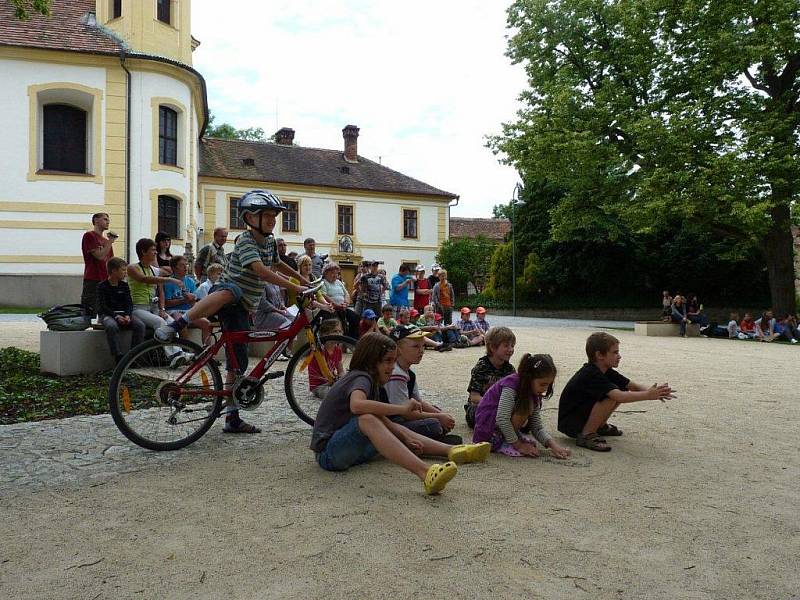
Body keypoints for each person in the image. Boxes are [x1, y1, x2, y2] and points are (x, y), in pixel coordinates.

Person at [155, 190, 311, 434]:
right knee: (232, 291)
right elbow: (261, 271)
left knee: (237, 363)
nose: (272, 220)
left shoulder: (269, 242)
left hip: (244, 307)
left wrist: (305, 280)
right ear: (250, 218)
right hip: (228, 295)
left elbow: (277, 263)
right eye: (267, 215)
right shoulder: (246, 241)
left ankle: (231, 417)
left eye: (274, 216)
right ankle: (176, 324)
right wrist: (295, 287)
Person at [309, 332, 491, 495]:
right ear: (371, 361)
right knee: (368, 419)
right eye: (388, 361)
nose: (392, 366)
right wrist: (402, 410)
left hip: (348, 450)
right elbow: (357, 406)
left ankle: (453, 451)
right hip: (328, 455)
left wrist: (403, 436)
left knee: (394, 427)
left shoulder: (372, 381)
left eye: (394, 360)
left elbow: (380, 418)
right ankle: (425, 472)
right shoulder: (360, 377)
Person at [557, 332, 675, 452]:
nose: (619, 356)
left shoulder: (606, 370)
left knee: (619, 388)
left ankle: (600, 426)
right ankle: (587, 434)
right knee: (610, 395)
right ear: (599, 355)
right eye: (615, 352)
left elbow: (632, 386)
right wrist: (648, 395)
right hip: (570, 423)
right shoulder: (591, 373)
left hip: (579, 416)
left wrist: (655, 391)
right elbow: (620, 397)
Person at [473, 354, 571, 458]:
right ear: (529, 378)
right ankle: (504, 442)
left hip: (499, 425)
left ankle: (509, 438)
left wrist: (554, 446)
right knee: (524, 408)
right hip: (487, 429)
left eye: (548, 384)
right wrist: (518, 445)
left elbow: (536, 427)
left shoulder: (532, 391)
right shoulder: (511, 385)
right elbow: (502, 418)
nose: (545, 388)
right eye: (542, 384)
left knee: (526, 406)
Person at [383, 324, 461, 444]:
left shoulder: (408, 372)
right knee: (434, 424)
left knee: (436, 413)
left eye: (423, 345)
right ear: (398, 349)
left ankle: (428, 437)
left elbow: (418, 402)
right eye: (415, 346)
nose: (421, 351)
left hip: (402, 417)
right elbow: (405, 413)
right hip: (392, 422)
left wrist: (441, 414)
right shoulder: (396, 374)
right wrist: (438, 418)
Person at [126, 238, 183, 363]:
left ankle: (179, 353)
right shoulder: (132, 268)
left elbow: (162, 287)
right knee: (160, 323)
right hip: (138, 309)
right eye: (153, 250)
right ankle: (172, 356)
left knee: (173, 322)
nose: (155, 253)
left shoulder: (154, 269)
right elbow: (144, 279)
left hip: (154, 308)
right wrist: (170, 280)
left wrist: (162, 309)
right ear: (143, 251)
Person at [464, 326, 516, 428]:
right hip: (482, 405)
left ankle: (501, 423)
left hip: (502, 408)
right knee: (477, 415)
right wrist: (497, 405)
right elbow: (474, 397)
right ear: (492, 347)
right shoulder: (481, 367)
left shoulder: (510, 370)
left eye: (512, 346)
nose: (511, 349)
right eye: (506, 346)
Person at [96, 257, 145, 364]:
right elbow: (102, 306)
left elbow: (129, 303)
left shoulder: (124, 285)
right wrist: (116, 316)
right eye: (123, 270)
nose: (125, 273)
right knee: (111, 326)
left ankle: (134, 356)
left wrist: (127, 315)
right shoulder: (102, 286)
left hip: (124, 314)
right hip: (108, 315)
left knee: (140, 325)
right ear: (114, 271)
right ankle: (118, 356)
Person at [163, 255, 212, 345]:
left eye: (187, 265)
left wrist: (193, 301)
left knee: (207, 324)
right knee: (181, 323)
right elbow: (166, 304)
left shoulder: (190, 281)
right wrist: (184, 300)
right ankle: (187, 351)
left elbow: (194, 300)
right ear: (174, 267)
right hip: (174, 311)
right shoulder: (168, 282)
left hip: (188, 310)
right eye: (182, 265)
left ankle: (206, 354)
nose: (186, 267)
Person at [81, 212, 116, 317]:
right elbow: (100, 256)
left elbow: (111, 261)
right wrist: (110, 241)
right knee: (89, 308)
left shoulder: (106, 241)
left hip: (106, 279)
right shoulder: (90, 236)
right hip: (93, 278)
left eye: (108, 219)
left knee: (105, 309)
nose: (108, 221)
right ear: (96, 220)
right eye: (105, 219)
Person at [321, 262, 360, 339]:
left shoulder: (338, 282)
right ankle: (338, 340)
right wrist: (336, 305)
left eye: (337, 273)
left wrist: (346, 303)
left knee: (355, 317)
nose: (335, 275)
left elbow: (347, 294)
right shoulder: (323, 282)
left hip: (342, 308)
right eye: (332, 273)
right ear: (325, 273)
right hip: (331, 309)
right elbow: (324, 296)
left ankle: (350, 339)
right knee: (337, 323)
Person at [308, 319, 346, 399]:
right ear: (325, 334)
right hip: (319, 386)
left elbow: (340, 370)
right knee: (335, 396)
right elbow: (323, 371)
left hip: (332, 381)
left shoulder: (338, 349)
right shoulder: (319, 350)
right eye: (335, 331)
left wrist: (343, 379)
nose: (339, 334)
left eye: (340, 331)